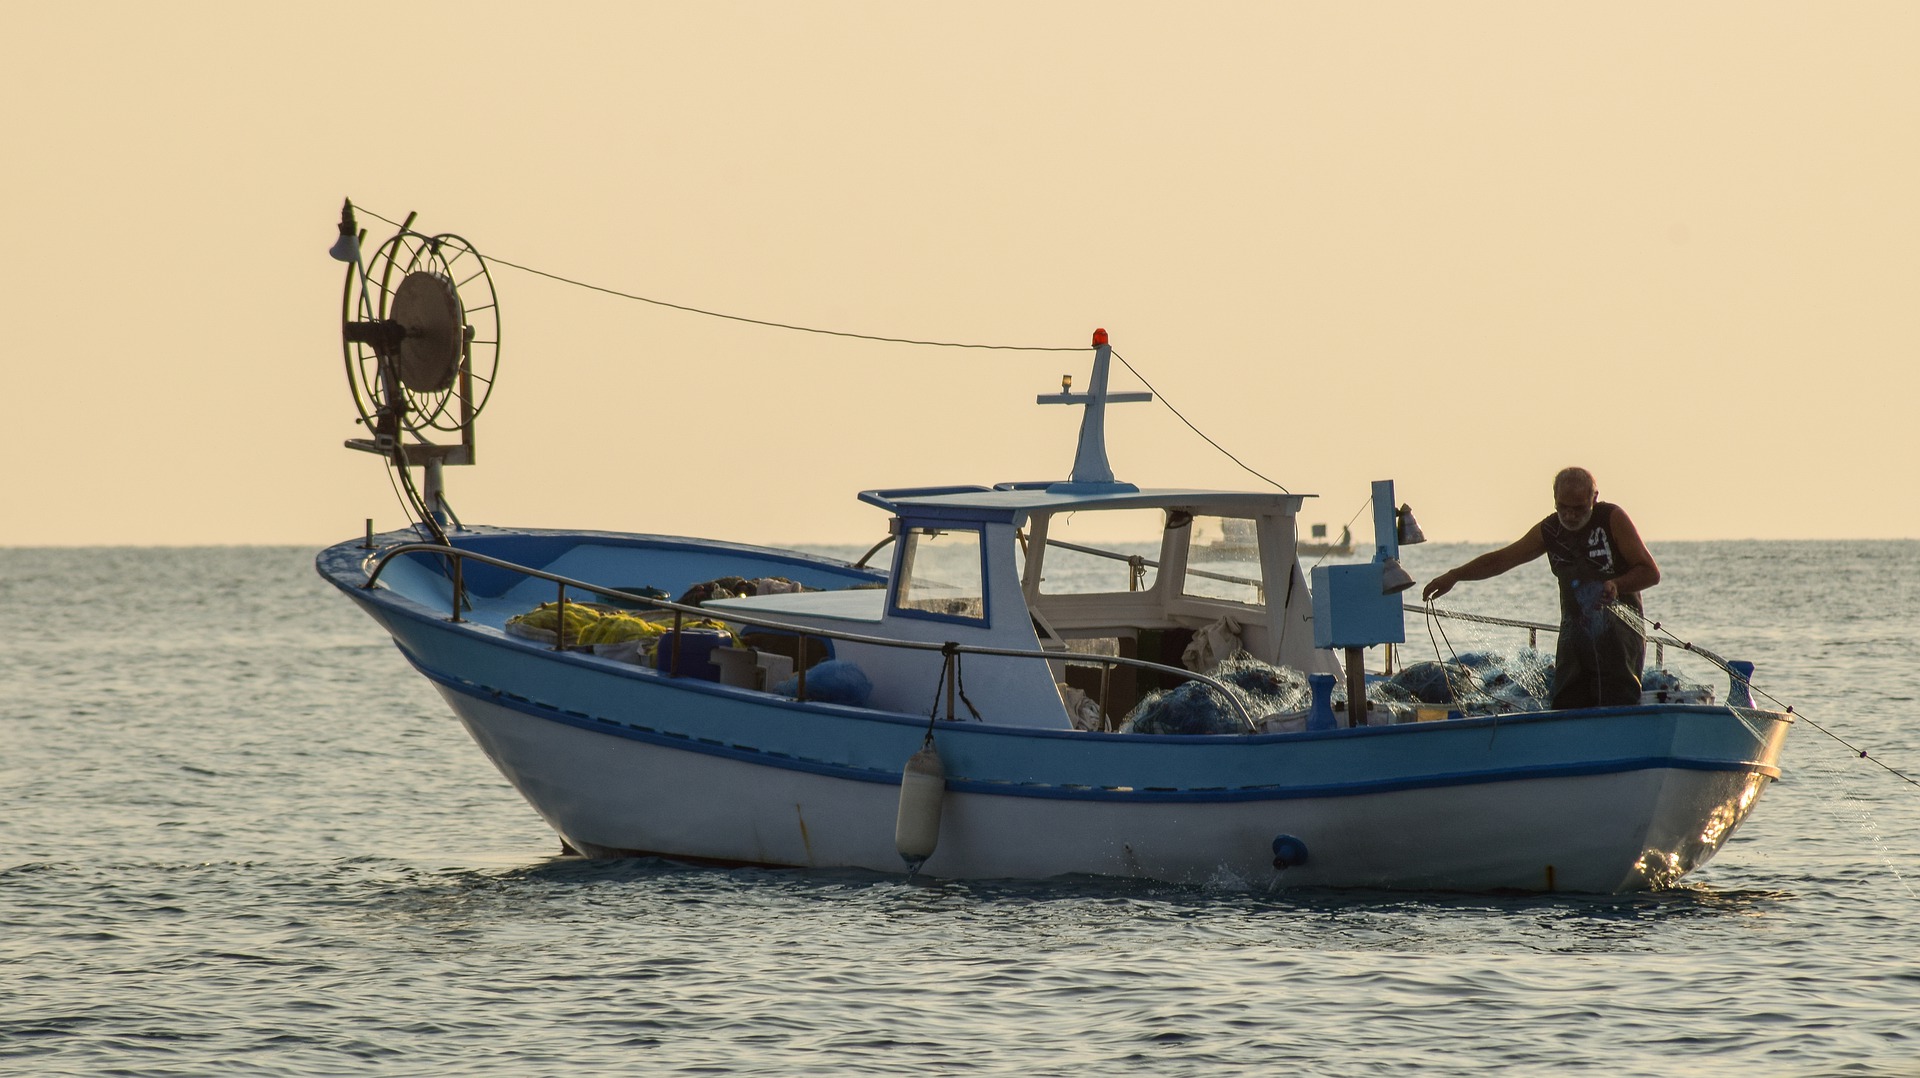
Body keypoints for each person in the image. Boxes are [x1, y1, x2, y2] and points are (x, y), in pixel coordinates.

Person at [1420, 467, 1660, 709]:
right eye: (1563, 507)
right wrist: (1454, 576)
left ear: (1594, 498)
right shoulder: (1550, 530)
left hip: (1619, 637)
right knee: (1566, 702)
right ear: (1554, 500)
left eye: (1578, 508)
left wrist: (1617, 585)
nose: (1570, 516)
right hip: (1574, 636)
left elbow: (1650, 572)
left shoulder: (1612, 519)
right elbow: (1502, 560)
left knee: (1618, 701)